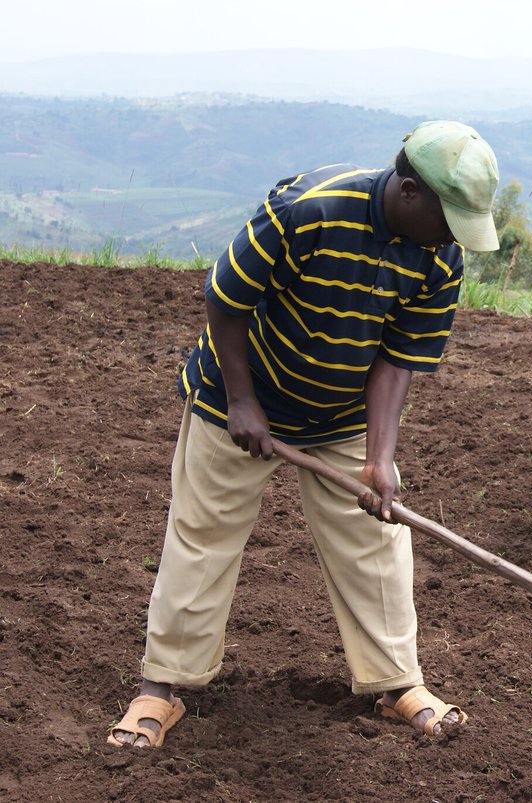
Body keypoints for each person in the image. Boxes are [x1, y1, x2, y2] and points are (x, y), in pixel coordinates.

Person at [107, 121, 500, 748]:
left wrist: (380, 458)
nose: (453, 236)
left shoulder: (439, 257)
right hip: (239, 393)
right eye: (448, 217)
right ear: (408, 192)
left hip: (340, 411)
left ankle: (396, 681)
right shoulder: (307, 211)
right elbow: (225, 297)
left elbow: (399, 359)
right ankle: (164, 685)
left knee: (375, 538)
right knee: (204, 534)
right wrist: (241, 401)